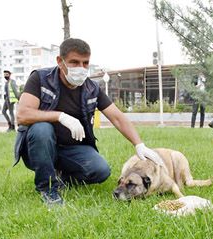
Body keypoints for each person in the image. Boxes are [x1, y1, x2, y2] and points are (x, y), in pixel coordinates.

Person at [14, 38, 164, 207]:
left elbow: (117, 117)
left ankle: (60, 178)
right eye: (74, 62)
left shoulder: (91, 88)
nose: (81, 68)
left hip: (71, 150)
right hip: (40, 148)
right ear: (59, 61)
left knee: (101, 170)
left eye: (85, 63)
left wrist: (139, 145)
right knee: (42, 129)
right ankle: (48, 189)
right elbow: (23, 114)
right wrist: (60, 116)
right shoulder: (40, 79)